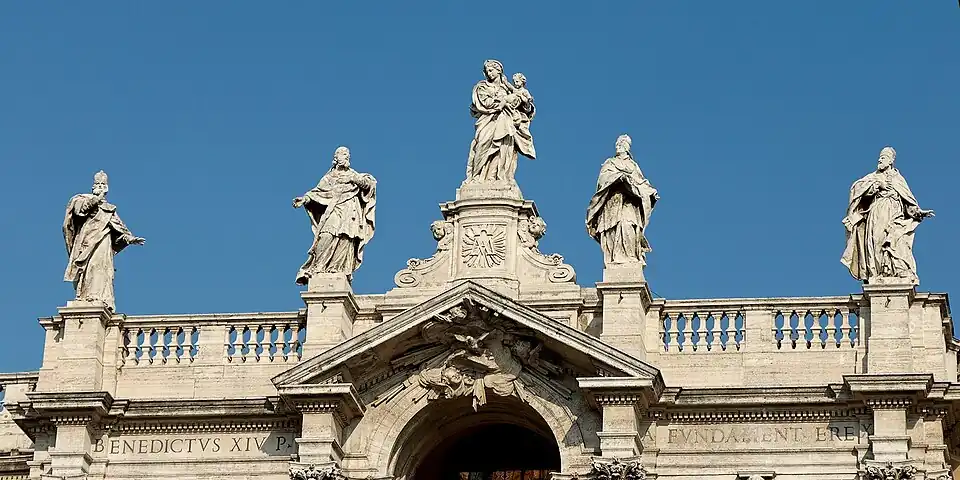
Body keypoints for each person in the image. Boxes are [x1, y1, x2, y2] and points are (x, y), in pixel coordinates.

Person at [841, 146, 934, 284]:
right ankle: (877, 273)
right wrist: (878, 185)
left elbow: (908, 201)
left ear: (890, 161)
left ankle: (893, 271)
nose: (879, 160)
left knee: (895, 240)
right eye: (879, 158)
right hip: (877, 212)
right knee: (876, 240)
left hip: (895, 213)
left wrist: (918, 212)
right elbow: (856, 188)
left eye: (883, 158)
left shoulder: (898, 178)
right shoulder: (874, 177)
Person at [293, 146, 377, 285]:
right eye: (342, 154)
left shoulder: (354, 174)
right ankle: (318, 267)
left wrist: (354, 178)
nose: (345, 156)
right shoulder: (329, 177)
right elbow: (318, 192)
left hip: (350, 210)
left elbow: (368, 185)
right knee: (326, 234)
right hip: (334, 209)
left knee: (346, 238)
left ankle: (336, 269)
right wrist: (305, 199)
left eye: (347, 154)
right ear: (336, 158)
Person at [62, 170, 145, 311]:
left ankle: (100, 297)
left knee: (103, 269)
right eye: (98, 184)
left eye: (103, 184)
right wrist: (97, 199)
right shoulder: (82, 199)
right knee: (90, 267)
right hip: (87, 241)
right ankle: (87, 295)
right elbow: (80, 210)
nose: (100, 187)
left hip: (103, 242)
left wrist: (130, 238)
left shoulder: (109, 208)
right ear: (93, 186)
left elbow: (118, 226)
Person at [586, 135, 659, 265]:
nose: (618, 146)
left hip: (629, 203)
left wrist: (650, 191)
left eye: (621, 144)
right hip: (612, 201)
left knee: (628, 225)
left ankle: (629, 257)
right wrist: (617, 177)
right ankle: (614, 259)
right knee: (612, 230)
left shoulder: (632, 165)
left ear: (627, 147)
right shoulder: (610, 163)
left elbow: (641, 182)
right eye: (617, 144)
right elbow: (602, 180)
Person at [465, 59, 536, 183]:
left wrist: (525, 103)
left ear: (498, 71)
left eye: (491, 70)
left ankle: (494, 177)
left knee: (502, 149)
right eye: (487, 71)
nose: (489, 73)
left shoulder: (509, 88)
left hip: (506, 121)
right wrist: (503, 102)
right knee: (482, 144)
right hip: (488, 121)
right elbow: (485, 103)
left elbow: (525, 108)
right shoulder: (482, 87)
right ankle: (476, 176)